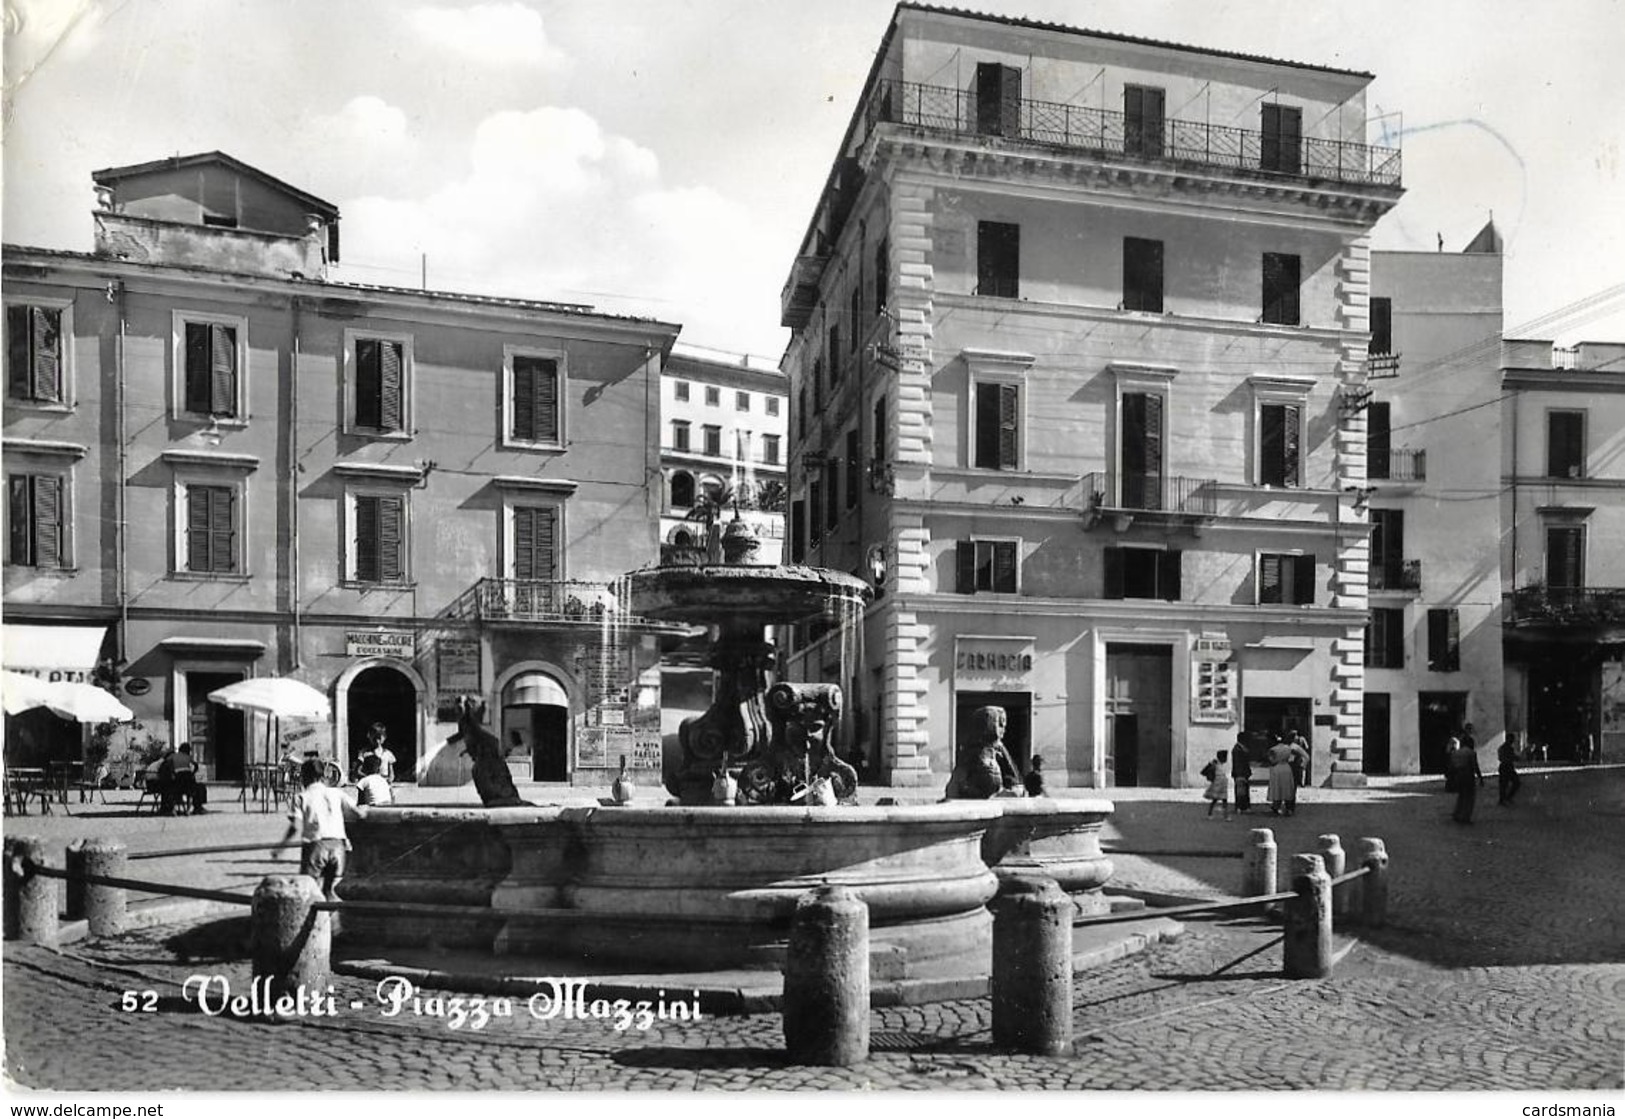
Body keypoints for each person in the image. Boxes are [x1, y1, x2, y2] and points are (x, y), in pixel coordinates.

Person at [275, 759, 363, 900]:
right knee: (330, 890)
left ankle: (314, 921)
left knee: (309, 892)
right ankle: (332, 919)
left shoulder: (302, 797)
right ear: (323, 776)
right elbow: (359, 813)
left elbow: (296, 826)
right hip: (338, 846)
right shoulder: (336, 793)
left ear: (304, 777)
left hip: (315, 845)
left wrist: (281, 847)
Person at [1446, 736, 1484, 824]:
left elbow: (1451, 766)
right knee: (1469, 797)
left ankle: (1457, 814)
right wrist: (1480, 778)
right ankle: (1465, 817)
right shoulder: (1471, 753)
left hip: (1458, 776)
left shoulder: (1456, 753)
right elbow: (1475, 766)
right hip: (1468, 775)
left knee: (1461, 796)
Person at [170, 743, 207, 813]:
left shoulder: (174, 756)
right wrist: (193, 773)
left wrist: (173, 773)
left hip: (177, 782)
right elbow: (196, 765)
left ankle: (174, 808)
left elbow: (168, 764)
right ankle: (197, 807)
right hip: (187, 781)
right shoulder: (188, 757)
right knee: (199, 787)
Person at [1201, 750, 1231, 820]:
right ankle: (1210, 813)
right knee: (1216, 800)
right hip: (1217, 785)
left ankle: (1225, 815)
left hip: (1222, 785)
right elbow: (1206, 771)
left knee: (1224, 800)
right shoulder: (1215, 764)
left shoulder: (1220, 765)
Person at [1231, 734, 1252, 813]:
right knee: (1240, 791)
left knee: (1244, 790)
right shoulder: (1237, 749)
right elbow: (1238, 763)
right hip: (1240, 773)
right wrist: (1240, 774)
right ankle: (1240, 807)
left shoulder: (1241, 748)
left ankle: (1244, 806)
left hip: (1243, 773)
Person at [1497, 738, 1521, 806]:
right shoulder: (1508, 748)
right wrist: (1517, 758)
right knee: (1514, 783)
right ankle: (1506, 798)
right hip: (1507, 767)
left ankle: (1504, 799)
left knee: (1503, 784)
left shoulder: (1501, 748)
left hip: (1504, 766)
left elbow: (1500, 758)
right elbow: (1511, 757)